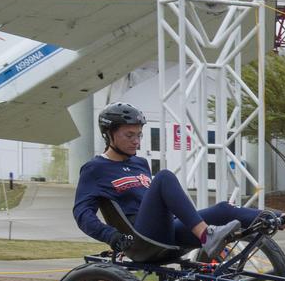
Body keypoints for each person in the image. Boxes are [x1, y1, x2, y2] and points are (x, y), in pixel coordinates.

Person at [72, 102, 271, 260]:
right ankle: (206, 236)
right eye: (129, 135)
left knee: (223, 209)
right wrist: (110, 235)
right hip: (140, 239)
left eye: (139, 135)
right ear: (109, 134)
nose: (137, 141)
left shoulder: (140, 163)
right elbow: (82, 214)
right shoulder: (95, 169)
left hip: (166, 229)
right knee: (164, 177)